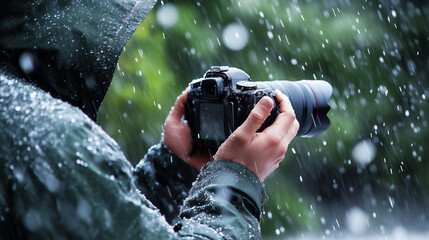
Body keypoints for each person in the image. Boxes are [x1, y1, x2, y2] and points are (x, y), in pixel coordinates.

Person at [0, 0, 299, 239]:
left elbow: (91, 224)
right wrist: (235, 181)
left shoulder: (16, 112)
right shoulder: (49, 135)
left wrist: (171, 172)